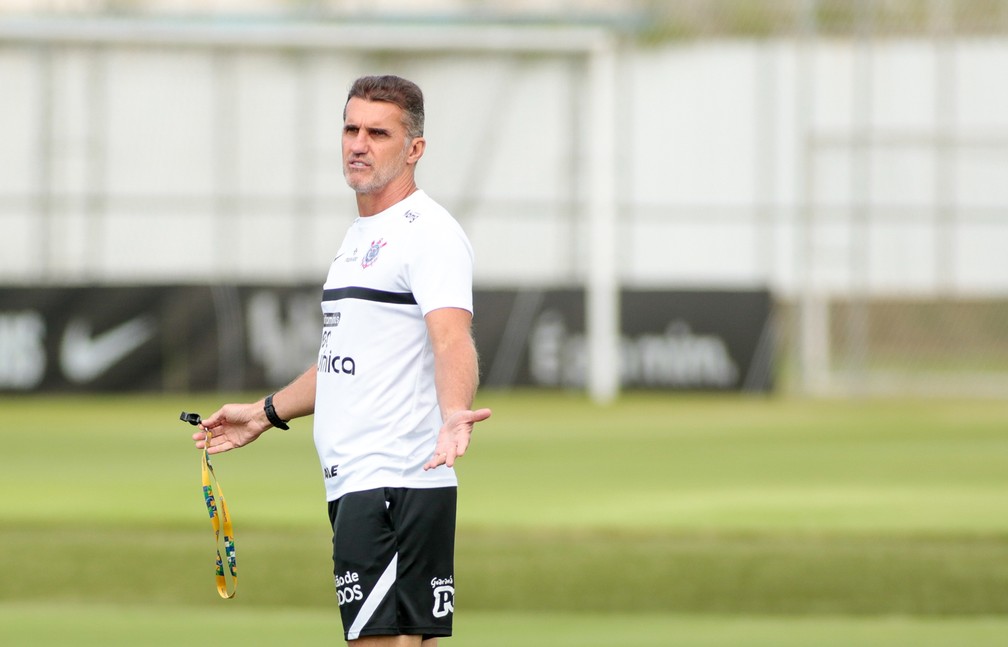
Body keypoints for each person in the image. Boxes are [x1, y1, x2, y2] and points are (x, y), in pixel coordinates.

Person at [192, 75, 492, 647]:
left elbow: (452, 339)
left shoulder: (429, 233)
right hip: (366, 480)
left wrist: (455, 411)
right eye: (351, 128)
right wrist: (264, 412)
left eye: (378, 132)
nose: (358, 143)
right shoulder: (361, 236)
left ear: (414, 150)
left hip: (393, 479)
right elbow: (343, 361)